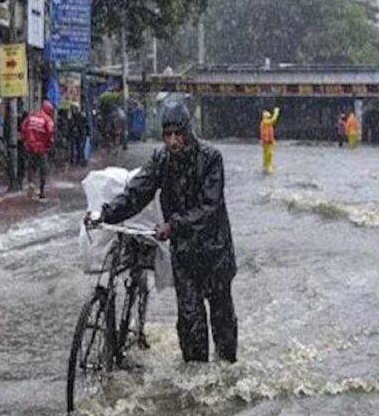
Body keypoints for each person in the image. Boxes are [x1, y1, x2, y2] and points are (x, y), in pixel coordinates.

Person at [87, 104, 238, 363]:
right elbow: (137, 193)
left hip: (215, 252)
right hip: (185, 254)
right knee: (190, 322)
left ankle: (227, 372)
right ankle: (196, 377)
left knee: (222, 320)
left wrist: (173, 225)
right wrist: (106, 213)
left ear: (188, 132)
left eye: (178, 134)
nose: (173, 141)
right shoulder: (162, 160)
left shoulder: (211, 158)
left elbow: (208, 206)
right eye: (168, 135)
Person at [20, 100, 55, 201]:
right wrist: (49, 145)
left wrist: (26, 140)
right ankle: (42, 191)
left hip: (30, 147)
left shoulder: (31, 117)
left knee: (31, 167)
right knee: (43, 170)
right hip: (42, 149)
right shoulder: (47, 120)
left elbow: (23, 127)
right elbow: (50, 134)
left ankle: (31, 183)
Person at [260, 107, 280, 174]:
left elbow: (270, 133)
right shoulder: (265, 122)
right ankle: (268, 166)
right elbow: (273, 120)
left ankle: (266, 166)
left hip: (268, 142)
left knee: (267, 155)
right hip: (266, 142)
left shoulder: (266, 123)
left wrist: (273, 141)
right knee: (268, 155)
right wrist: (276, 112)